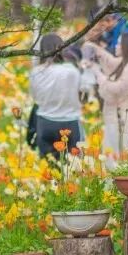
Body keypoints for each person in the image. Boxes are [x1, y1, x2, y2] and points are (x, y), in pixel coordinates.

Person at [87, 30, 128, 159]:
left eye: (119, 44)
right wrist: (94, 48)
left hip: (127, 121)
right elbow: (109, 62)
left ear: (127, 47)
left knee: (125, 158)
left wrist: (98, 74)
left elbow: (117, 88)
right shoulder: (124, 62)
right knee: (111, 157)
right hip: (116, 119)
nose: (116, 46)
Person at [29, 32, 83, 161]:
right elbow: (81, 92)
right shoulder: (72, 71)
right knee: (73, 165)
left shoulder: (36, 72)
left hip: (45, 122)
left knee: (48, 167)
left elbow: (35, 97)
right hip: (70, 121)